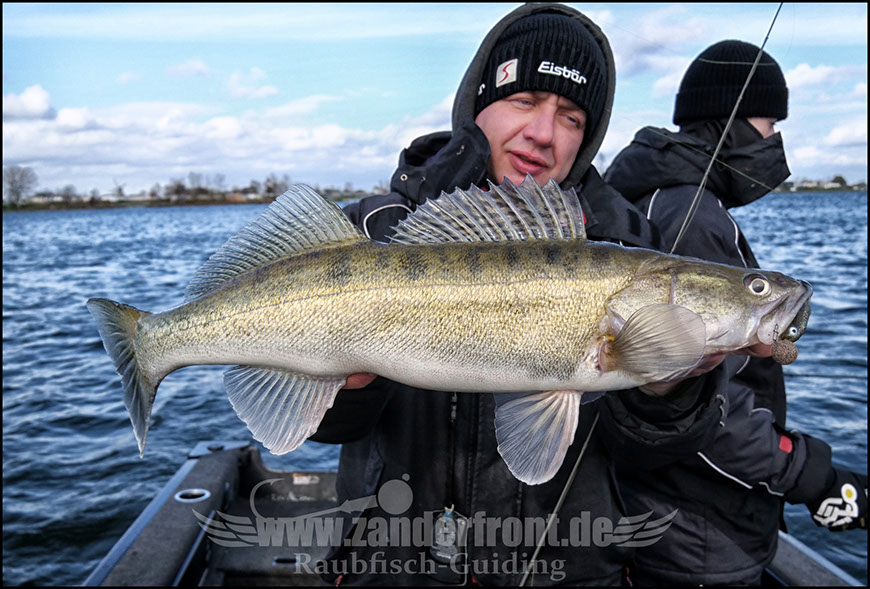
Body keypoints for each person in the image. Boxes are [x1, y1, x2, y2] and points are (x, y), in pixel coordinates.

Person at [308, 6, 742, 585]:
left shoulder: (630, 246)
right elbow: (328, 428)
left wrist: (668, 386)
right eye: (524, 101)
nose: (543, 133)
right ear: (476, 107)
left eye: (571, 117)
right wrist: (347, 387)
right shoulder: (375, 232)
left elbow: (654, 455)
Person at [603, 39, 868, 585]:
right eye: (771, 123)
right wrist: (814, 477)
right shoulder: (688, 214)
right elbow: (709, 408)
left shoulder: (664, 199)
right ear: (733, 122)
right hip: (696, 537)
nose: (775, 141)